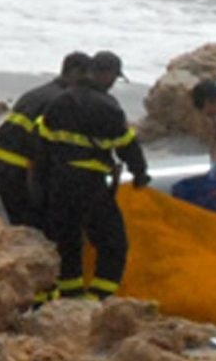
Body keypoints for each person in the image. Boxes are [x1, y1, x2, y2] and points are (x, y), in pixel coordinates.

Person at [33, 51, 151, 301]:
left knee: (68, 243)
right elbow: (127, 146)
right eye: (113, 77)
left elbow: (42, 147)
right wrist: (140, 174)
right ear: (106, 74)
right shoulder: (108, 107)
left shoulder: (59, 102)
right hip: (91, 187)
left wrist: (41, 186)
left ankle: (70, 296)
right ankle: (97, 298)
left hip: (58, 184)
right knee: (114, 245)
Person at [0, 51, 91, 231]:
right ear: (75, 72)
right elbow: (44, 148)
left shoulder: (36, 93)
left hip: (2, 162)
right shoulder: (61, 101)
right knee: (35, 227)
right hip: (23, 169)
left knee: (18, 223)